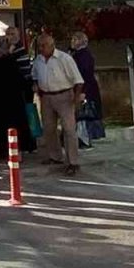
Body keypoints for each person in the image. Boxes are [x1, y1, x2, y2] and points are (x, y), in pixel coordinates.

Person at [32, 34, 85, 175]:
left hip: (64, 95)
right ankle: (55, 156)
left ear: (52, 45)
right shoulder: (38, 60)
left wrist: (76, 98)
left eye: (44, 45)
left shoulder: (64, 59)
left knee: (69, 129)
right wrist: (36, 86)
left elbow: (78, 80)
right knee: (49, 129)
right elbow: (35, 76)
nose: (41, 48)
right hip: (46, 96)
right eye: (40, 46)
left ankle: (73, 161)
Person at [70, 31, 105, 149]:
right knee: (81, 115)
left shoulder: (83, 55)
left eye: (75, 40)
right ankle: (82, 138)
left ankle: (84, 139)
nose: (72, 42)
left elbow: (85, 74)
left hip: (85, 89)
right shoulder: (79, 55)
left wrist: (83, 92)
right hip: (84, 88)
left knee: (83, 115)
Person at [5, 26, 37, 153]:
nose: (10, 36)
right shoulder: (9, 50)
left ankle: (29, 144)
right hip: (16, 89)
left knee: (26, 115)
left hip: (24, 87)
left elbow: (21, 70)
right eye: (8, 34)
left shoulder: (19, 50)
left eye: (12, 34)